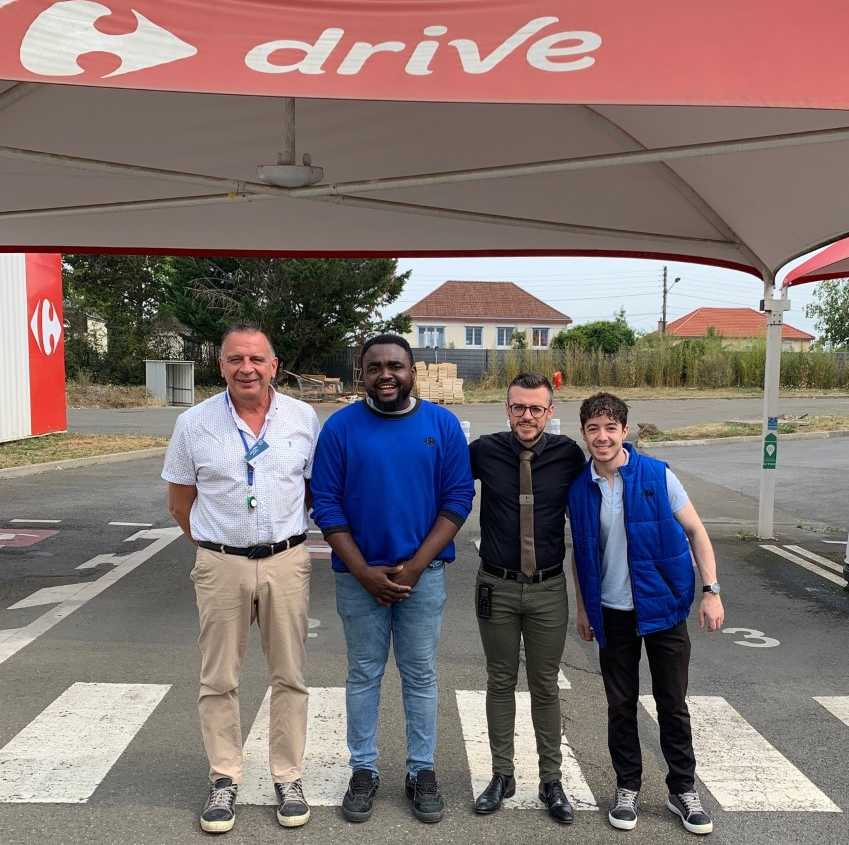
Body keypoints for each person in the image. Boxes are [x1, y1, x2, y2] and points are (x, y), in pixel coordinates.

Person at [310, 334, 474, 825]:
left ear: (412, 372)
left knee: (420, 674)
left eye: (396, 366)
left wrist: (416, 567)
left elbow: (457, 499)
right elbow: (327, 502)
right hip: (358, 577)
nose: (386, 375)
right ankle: (364, 769)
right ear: (361, 373)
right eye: (375, 366)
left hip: (421, 577)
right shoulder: (339, 429)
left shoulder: (441, 425)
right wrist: (362, 570)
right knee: (364, 673)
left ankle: (421, 770)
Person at [162, 325, 320, 834]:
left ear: (274, 366)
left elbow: (312, 490)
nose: (246, 368)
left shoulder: (303, 418)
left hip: (286, 560)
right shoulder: (194, 423)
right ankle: (224, 778)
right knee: (219, 678)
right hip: (220, 562)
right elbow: (179, 503)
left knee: (290, 675)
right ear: (221, 366)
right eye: (235, 359)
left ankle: (287, 778)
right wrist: (216, 549)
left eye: (256, 359)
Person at [568, 392, 724, 836]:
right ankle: (628, 787)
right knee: (620, 706)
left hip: (664, 608)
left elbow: (696, 531)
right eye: (593, 429)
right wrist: (584, 607)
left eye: (610, 428)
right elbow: (583, 552)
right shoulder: (579, 488)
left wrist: (710, 591)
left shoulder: (657, 475)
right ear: (584, 434)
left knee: (672, 703)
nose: (602, 436)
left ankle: (682, 790)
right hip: (612, 612)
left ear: (624, 431)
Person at [469, 373, 585, 824]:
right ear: (506, 408)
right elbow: (442, 484)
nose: (527, 416)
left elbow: (604, 483)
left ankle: (550, 779)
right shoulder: (484, 450)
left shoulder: (567, 455)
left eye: (536, 408)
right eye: (519, 407)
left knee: (544, 685)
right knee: (499, 681)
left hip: (548, 589)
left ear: (550, 412)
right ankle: (501, 775)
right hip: (496, 586)